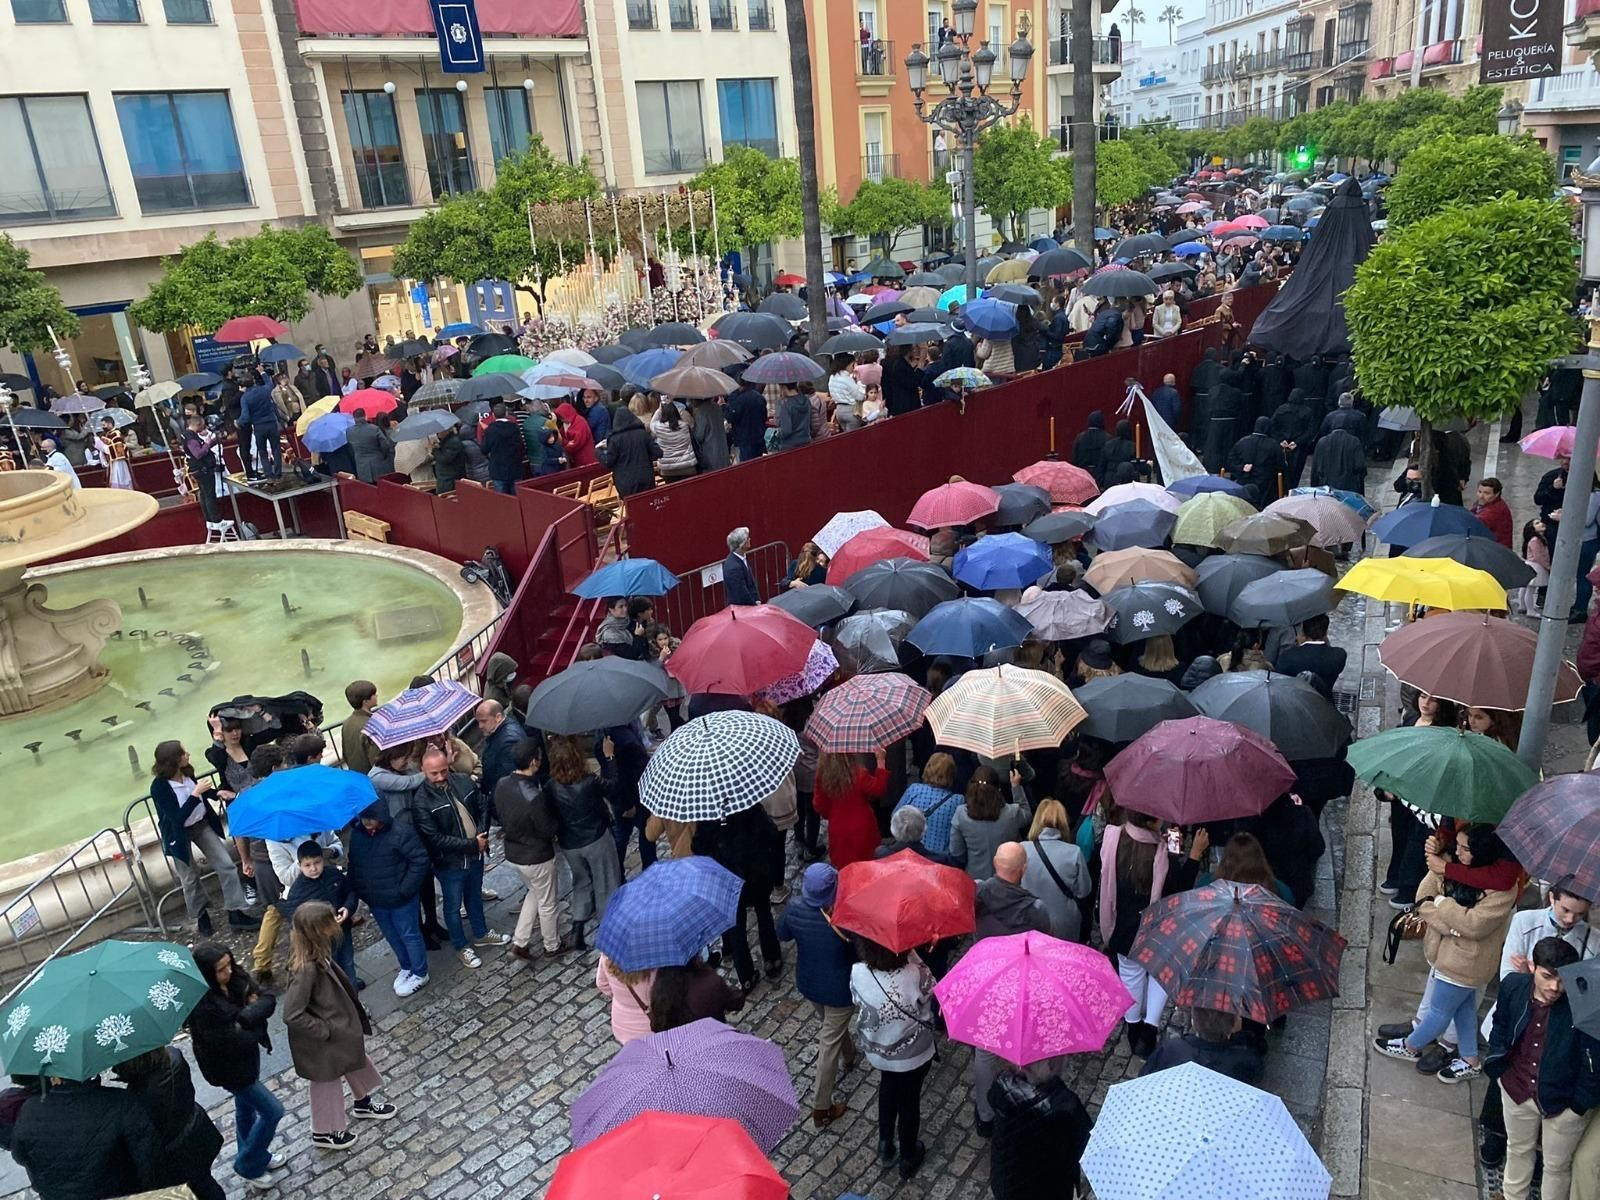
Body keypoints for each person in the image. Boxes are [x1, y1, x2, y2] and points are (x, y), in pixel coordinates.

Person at [1373, 825, 1519, 1083]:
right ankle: (1470, 1060)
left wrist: (1441, 904)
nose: (1458, 853)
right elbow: (1423, 896)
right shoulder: (1454, 865)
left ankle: (1411, 1046)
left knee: (1439, 1010)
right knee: (1463, 1009)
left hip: (1465, 963)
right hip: (1450, 955)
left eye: (1466, 849)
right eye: (1459, 846)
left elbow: (1472, 925)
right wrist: (1451, 922)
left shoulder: (1502, 891)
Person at [1477, 882, 1596, 1168]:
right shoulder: (1525, 921)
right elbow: (1509, 975)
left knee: (1548, 1084)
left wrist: (1533, 974)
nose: (1570, 919)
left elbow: (1589, 991)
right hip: (1521, 1015)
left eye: (1578, 914)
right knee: (1504, 1087)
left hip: (1561, 1025)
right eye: (1565, 909)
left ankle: (1539, 1151)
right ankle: (1495, 1136)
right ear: (1552, 897)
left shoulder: (1592, 940)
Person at [1485, 938, 1600, 1200]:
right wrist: (1499, 1068)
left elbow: (1594, 1063)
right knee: (1517, 1149)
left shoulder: (1585, 1004)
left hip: (1562, 1103)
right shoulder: (1514, 985)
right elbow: (1500, 1024)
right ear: (1532, 966)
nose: (1555, 987)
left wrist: (1578, 1107)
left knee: (1556, 1167)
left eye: (1562, 979)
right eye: (1548, 976)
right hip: (1516, 1087)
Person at [283, 902, 399, 1150]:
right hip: (324, 1042)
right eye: (329, 921)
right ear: (317, 930)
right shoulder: (305, 969)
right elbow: (292, 1013)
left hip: (339, 1033)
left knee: (355, 1061)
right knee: (326, 1085)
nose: (335, 923)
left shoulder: (316, 953)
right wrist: (325, 1030)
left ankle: (363, 1102)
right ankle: (324, 1131)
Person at [1101, 811, 1207, 1057]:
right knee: (1160, 974)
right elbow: (1178, 891)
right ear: (1152, 821)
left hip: (1123, 929)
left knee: (1131, 976)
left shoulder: (1114, 838)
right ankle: (1149, 1029)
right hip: (1157, 932)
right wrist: (1192, 856)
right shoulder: (1162, 853)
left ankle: (1134, 1028)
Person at [187, 943, 286, 1191]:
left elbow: (267, 998)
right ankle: (248, 1163)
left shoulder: (236, 978)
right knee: (273, 1111)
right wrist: (253, 1016)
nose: (228, 972)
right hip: (230, 1070)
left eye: (228, 965)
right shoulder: (203, 1007)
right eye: (221, 969)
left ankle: (256, 1156)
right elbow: (233, 1040)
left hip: (246, 1061)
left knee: (246, 1112)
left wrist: (246, 1018)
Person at [778, 862, 860, 1126]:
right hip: (838, 990)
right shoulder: (843, 920)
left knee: (832, 1027)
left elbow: (782, 934)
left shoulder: (794, 910)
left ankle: (850, 1057)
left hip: (809, 983)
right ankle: (821, 1107)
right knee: (828, 1044)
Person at [411, 746, 508, 968]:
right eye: (433, 773)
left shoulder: (462, 781)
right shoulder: (421, 801)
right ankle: (460, 946)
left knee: (474, 896)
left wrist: (481, 835)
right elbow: (435, 839)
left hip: (474, 854)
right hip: (450, 863)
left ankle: (481, 932)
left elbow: (482, 805)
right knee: (452, 906)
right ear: (423, 771)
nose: (440, 777)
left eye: (443, 771)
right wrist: (472, 844)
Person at [851, 935, 937, 1180]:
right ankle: (908, 1156)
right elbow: (930, 995)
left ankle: (885, 1142)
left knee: (888, 1088)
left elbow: (858, 1000)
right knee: (909, 1101)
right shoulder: (915, 974)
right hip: (912, 1054)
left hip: (879, 1051)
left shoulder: (858, 972)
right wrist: (913, 954)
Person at [150, 740, 257, 934]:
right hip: (178, 833)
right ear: (174, 759)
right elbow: (177, 818)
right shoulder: (159, 787)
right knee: (190, 876)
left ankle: (236, 912)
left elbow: (202, 793)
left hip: (201, 825)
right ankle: (201, 916)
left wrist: (216, 793)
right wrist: (195, 794)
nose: (188, 754)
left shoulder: (187, 773)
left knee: (226, 865)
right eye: (183, 753)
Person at [8, 1074, 166, 1199]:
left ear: (55, 1077)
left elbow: (20, 1155)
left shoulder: (30, 1109)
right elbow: (149, 1160)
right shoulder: (121, 1102)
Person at [110, 1045, 226, 1200]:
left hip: (174, 1158)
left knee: (197, 1189)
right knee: (206, 1183)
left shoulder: (135, 1101)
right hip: (196, 1134)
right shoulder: (174, 1057)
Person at [694, 803, 786, 993]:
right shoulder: (748, 805)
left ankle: (745, 976)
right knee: (763, 913)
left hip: (728, 879)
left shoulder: (707, 815)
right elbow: (771, 831)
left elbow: (698, 846)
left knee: (736, 926)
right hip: (756, 873)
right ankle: (772, 959)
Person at [345, 799, 432, 996]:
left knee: (409, 934)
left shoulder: (401, 832)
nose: (367, 822)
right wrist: (360, 890)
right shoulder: (358, 835)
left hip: (401, 898)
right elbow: (355, 864)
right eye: (364, 818)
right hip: (376, 899)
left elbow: (419, 860)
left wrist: (404, 890)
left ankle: (420, 972)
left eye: (371, 818)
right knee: (392, 935)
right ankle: (407, 967)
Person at [496, 738, 570, 961]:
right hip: (537, 857)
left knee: (535, 893)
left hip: (515, 854)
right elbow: (548, 829)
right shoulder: (534, 796)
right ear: (534, 762)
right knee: (548, 902)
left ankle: (520, 941)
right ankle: (552, 945)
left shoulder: (501, 784)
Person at [546, 735, 621, 949]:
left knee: (581, 884)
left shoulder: (551, 787)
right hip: (596, 837)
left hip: (570, 843)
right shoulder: (589, 782)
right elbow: (613, 786)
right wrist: (610, 758)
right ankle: (608, 931)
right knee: (605, 882)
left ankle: (578, 931)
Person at [987, 1056, 1094, 1200]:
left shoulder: (1003, 1086)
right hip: (1049, 1187)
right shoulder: (1064, 1105)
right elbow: (1088, 1143)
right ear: (1052, 1066)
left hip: (1007, 1181)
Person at [283, 840, 360, 988]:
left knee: (348, 964)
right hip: (321, 940)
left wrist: (347, 908)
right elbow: (297, 921)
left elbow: (350, 891)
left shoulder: (334, 875)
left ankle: (354, 999)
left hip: (342, 930)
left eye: (317, 863)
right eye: (307, 865)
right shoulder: (297, 892)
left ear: (323, 860)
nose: (313, 868)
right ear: (299, 865)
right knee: (332, 972)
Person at [1021, 799, 1093, 942]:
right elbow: (1084, 890)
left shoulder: (1022, 849)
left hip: (1029, 920)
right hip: (1065, 922)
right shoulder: (1074, 853)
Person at [1141, 1004, 1265, 1085]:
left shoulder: (1171, 1048)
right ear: (1234, 1026)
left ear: (1193, 1021)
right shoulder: (1246, 1059)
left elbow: (1146, 1075)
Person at [812, 749, 890, 869]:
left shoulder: (822, 775)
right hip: (863, 826)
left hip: (838, 828)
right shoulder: (859, 774)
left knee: (844, 867)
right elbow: (878, 788)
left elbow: (819, 804)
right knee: (866, 865)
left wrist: (833, 814)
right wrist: (880, 760)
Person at [949, 766, 1029, 882]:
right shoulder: (1012, 813)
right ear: (998, 789)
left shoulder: (961, 814)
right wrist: (1016, 787)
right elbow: (1027, 815)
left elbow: (956, 852)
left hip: (974, 878)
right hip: (1008, 880)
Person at [893, 751, 964, 856]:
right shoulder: (958, 800)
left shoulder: (914, 790)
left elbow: (896, 816)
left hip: (912, 853)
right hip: (939, 857)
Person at [975, 842, 1050, 940]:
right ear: (1023, 869)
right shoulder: (1036, 909)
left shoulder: (976, 894)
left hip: (984, 953)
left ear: (994, 862)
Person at [648, 960, 745, 1031]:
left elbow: (656, 1025)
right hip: (716, 1036)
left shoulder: (659, 991)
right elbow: (736, 1002)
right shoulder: (709, 982)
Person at [1274, 613, 1347, 696]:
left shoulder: (1287, 657)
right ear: (1326, 632)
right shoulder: (1339, 655)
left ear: (1302, 632)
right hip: (1325, 704)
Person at [599, 402, 662, 496]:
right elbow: (658, 453)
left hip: (626, 483)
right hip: (646, 478)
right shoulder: (642, 433)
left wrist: (598, 451)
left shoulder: (615, 439)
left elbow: (608, 461)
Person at [474, 698, 526, 810]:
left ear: (498, 717)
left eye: (483, 721)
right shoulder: (500, 732)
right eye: (478, 721)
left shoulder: (507, 742)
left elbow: (510, 780)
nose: (480, 726)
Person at [595, 955, 656, 1045]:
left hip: (622, 1025)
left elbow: (602, 984)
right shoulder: (655, 968)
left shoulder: (608, 956)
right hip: (651, 1026)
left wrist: (621, 997)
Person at [650, 399, 697, 480]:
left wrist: (659, 410)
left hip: (668, 469)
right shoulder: (685, 426)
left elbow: (652, 422)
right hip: (687, 466)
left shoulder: (658, 428)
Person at [345, 410, 394, 484]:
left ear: (354, 418)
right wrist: (383, 455)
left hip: (361, 466)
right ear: (365, 416)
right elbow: (385, 445)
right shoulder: (374, 429)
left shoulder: (349, 431)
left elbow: (351, 447)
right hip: (378, 463)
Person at [725, 377, 767, 462]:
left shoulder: (739, 400)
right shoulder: (759, 397)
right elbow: (764, 416)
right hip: (759, 437)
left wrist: (723, 407)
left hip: (745, 439)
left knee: (747, 466)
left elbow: (731, 417)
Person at [722, 526, 761, 605]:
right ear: (741, 544)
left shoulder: (741, 558)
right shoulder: (734, 567)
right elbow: (741, 594)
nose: (749, 539)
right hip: (743, 610)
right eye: (747, 538)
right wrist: (754, 605)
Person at [1473, 476, 1514, 549]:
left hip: (1495, 550)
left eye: (1486, 493)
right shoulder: (1485, 504)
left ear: (1497, 494)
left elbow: (1474, 527)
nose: (1481, 496)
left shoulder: (1493, 512)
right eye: (1479, 492)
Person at [554, 400, 598, 467]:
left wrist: (564, 447)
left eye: (562, 417)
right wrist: (567, 443)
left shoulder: (580, 422)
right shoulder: (566, 423)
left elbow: (577, 443)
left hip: (586, 459)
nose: (561, 420)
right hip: (576, 459)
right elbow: (560, 437)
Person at [1072, 411, 1110, 482]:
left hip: (1083, 474)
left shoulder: (1080, 438)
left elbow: (1074, 458)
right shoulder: (1107, 438)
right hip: (1101, 475)